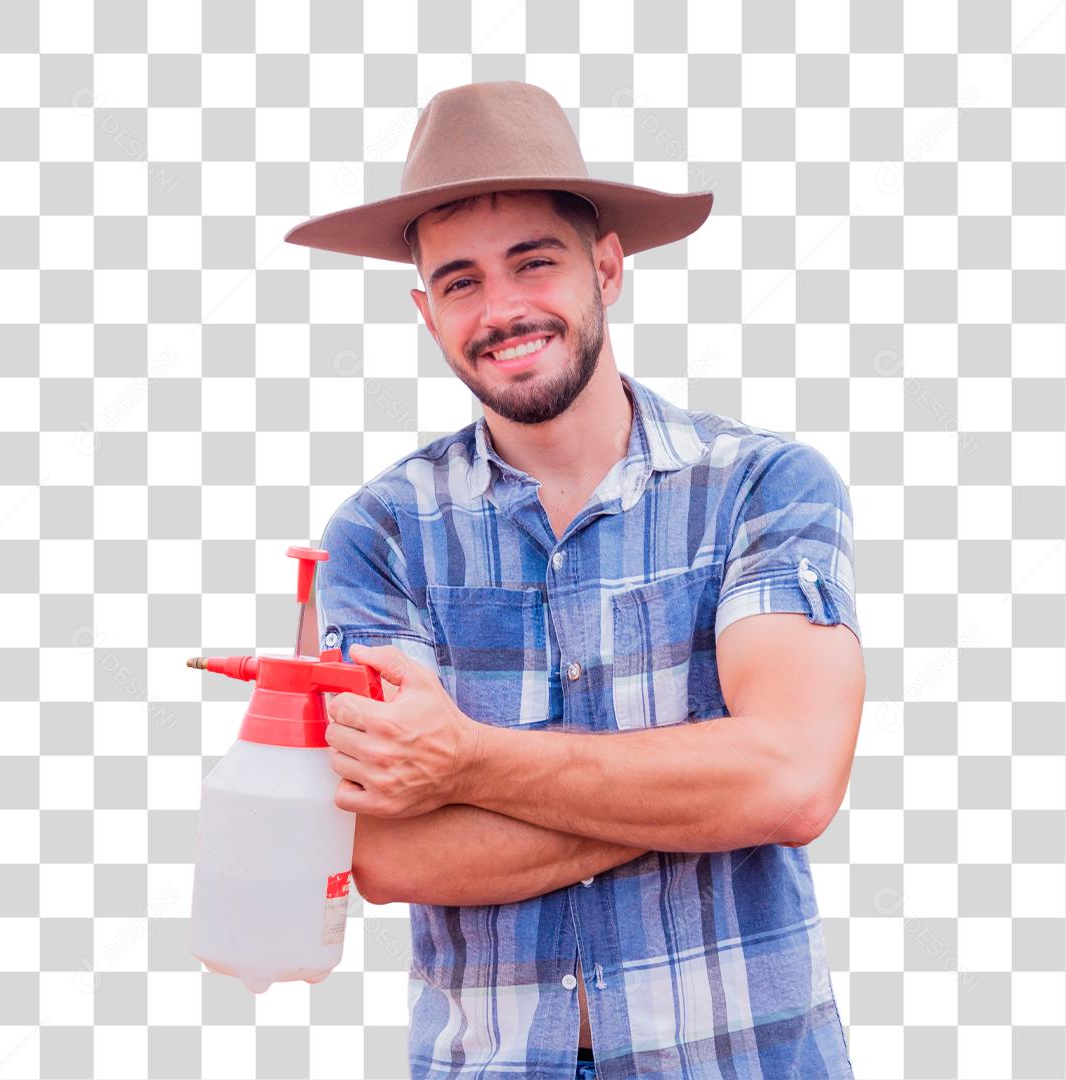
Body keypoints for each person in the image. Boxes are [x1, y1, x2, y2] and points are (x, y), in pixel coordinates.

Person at [286, 81, 864, 1080]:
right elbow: (384, 854)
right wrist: (695, 789)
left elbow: (791, 782)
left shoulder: (763, 488)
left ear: (607, 267)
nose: (502, 308)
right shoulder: (379, 537)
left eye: (534, 263)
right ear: (426, 312)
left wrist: (463, 762)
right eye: (460, 281)